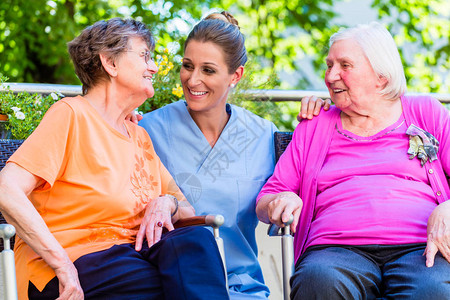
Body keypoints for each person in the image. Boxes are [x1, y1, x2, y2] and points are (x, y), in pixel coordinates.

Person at [0, 18, 229, 300]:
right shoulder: (71, 115)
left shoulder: (139, 136)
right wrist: (62, 265)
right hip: (72, 267)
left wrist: (165, 201)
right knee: (170, 284)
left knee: (196, 241)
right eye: (145, 55)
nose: (154, 67)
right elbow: (6, 189)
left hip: (134, 257)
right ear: (110, 62)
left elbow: (186, 211)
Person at [139, 11, 330, 299]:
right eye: (187, 66)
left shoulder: (264, 135)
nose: (192, 80)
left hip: (243, 286)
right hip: (169, 282)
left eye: (208, 70)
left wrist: (328, 114)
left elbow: (314, 187)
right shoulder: (148, 129)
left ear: (235, 75)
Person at [256, 21, 450, 299]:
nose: (331, 75)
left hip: (420, 249)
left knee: (432, 291)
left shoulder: (426, 112)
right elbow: (267, 198)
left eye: (344, 65)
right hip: (335, 251)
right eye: (329, 65)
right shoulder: (314, 126)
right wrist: (282, 201)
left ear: (381, 77)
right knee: (318, 282)